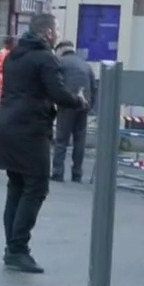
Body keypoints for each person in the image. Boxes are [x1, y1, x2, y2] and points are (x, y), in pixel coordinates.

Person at [0, 13, 87, 273]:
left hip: (7, 126)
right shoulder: (45, 58)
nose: (58, 34)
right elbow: (57, 93)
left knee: (16, 186)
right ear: (48, 32)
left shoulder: (13, 56)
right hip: (30, 129)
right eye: (56, 30)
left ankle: (12, 248)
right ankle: (18, 249)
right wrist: (78, 100)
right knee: (36, 188)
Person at [51, 40, 97, 182]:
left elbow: (55, 84)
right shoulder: (85, 65)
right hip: (84, 106)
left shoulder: (60, 63)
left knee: (61, 140)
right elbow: (94, 88)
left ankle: (58, 172)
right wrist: (89, 105)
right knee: (79, 141)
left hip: (67, 105)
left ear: (61, 50)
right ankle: (77, 173)